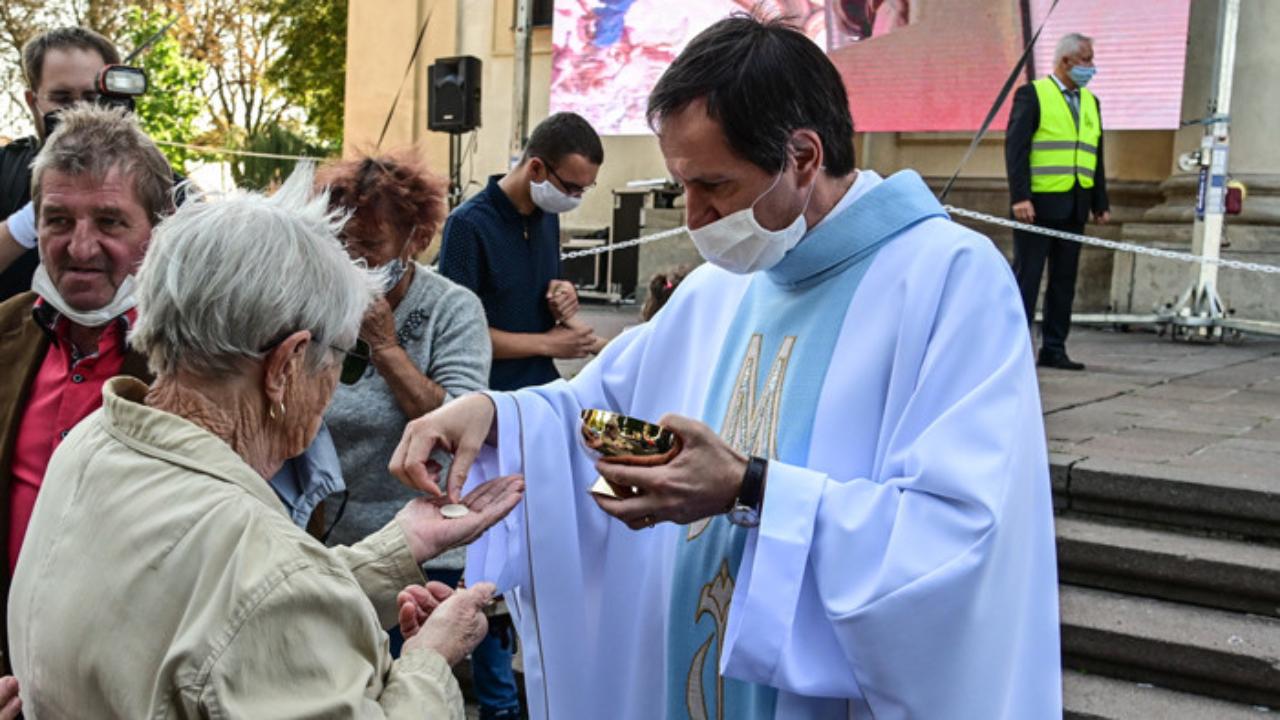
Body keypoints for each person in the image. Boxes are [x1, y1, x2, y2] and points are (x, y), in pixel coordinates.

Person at [391, 14, 1060, 720]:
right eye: (682, 185)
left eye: (714, 185)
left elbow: (961, 539)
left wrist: (752, 489)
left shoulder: (949, 281)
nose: (696, 216)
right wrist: (496, 415)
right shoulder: (720, 288)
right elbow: (603, 419)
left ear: (803, 157)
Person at [7, 160, 526, 716]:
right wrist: (429, 659)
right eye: (346, 358)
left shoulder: (91, 441)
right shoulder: (259, 562)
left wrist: (398, 547)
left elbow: (220, 608)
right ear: (286, 365)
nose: (336, 386)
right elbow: (255, 599)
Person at [438, 111, 607, 394]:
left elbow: (539, 288)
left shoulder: (547, 214)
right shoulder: (467, 225)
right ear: (536, 168)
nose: (575, 199)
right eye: (571, 188)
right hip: (488, 394)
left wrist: (562, 294)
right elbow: (457, 335)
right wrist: (547, 344)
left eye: (584, 189)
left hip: (542, 387)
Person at [1006, 32, 1110, 371]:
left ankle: (1054, 348)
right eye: (1086, 60)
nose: (1091, 67)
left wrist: (1100, 201)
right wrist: (1020, 197)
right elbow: (1016, 150)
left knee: (1064, 282)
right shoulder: (1033, 95)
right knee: (1028, 279)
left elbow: (1095, 154)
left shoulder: (1091, 102)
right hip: (1036, 207)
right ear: (1066, 62)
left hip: (1075, 205)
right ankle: (1014, 348)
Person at [0, 27, 121, 302]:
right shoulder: (4, 170)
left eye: (92, 98)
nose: (80, 111)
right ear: (33, 101)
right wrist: (29, 221)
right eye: (62, 98)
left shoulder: (158, 181)